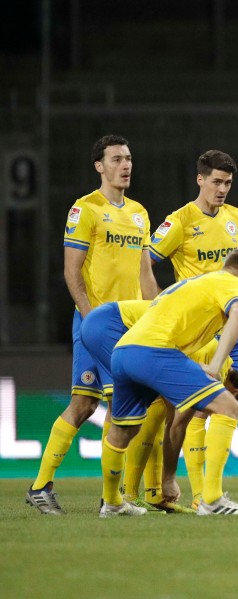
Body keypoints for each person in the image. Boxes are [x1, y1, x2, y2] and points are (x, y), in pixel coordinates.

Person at [26, 135, 156, 515]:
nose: (126, 165)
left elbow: (145, 275)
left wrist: (160, 313)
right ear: (99, 166)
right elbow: (71, 271)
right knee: (116, 405)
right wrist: (89, 317)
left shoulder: (139, 213)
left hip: (131, 325)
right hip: (98, 324)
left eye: (129, 158)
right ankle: (111, 501)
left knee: (84, 404)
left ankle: (46, 488)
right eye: (116, 159)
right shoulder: (85, 210)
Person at [148, 150, 238, 510]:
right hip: (198, 330)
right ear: (199, 179)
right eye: (216, 181)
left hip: (232, 325)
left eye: (228, 183)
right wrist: (158, 303)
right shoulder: (180, 221)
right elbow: (146, 259)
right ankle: (205, 494)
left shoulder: (236, 219)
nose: (222, 189)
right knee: (202, 409)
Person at [99, 248, 238, 517]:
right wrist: (216, 364)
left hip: (124, 350)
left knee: (122, 431)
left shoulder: (199, 282)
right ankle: (212, 500)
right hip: (156, 351)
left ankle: (112, 503)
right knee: (230, 407)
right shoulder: (234, 283)